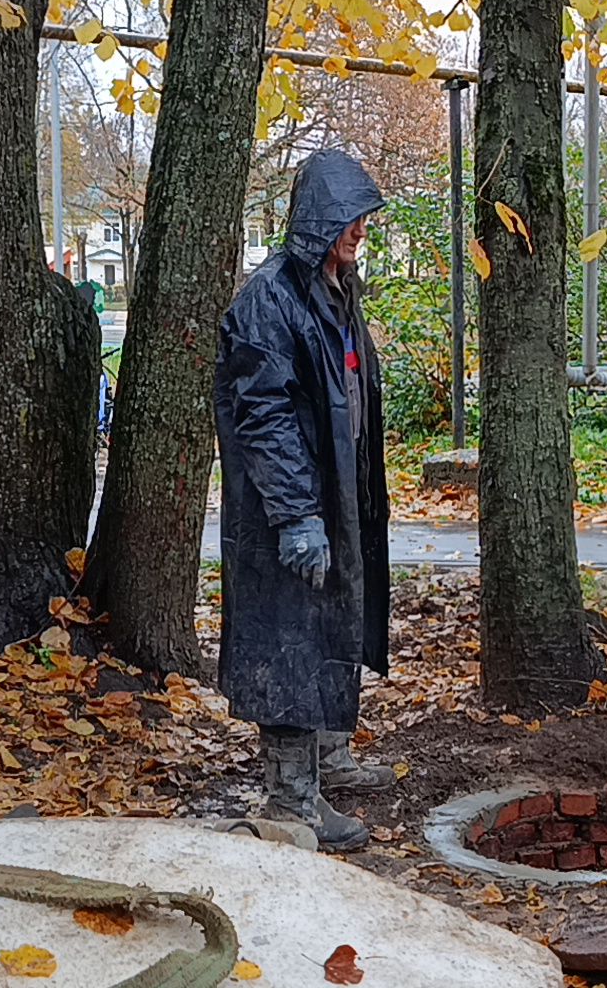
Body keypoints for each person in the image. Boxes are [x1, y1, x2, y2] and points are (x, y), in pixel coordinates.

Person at [214, 149, 394, 852]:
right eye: (349, 221)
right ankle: (291, 801)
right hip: (287, 513)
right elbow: (265, 415)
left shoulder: (333, 290)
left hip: (335, 503)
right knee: (290, 643)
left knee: (330, 627)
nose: (359, 234)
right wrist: (296, 515)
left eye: (363, 222)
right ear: (318, 222)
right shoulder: (270, 300)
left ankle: (328, 760)